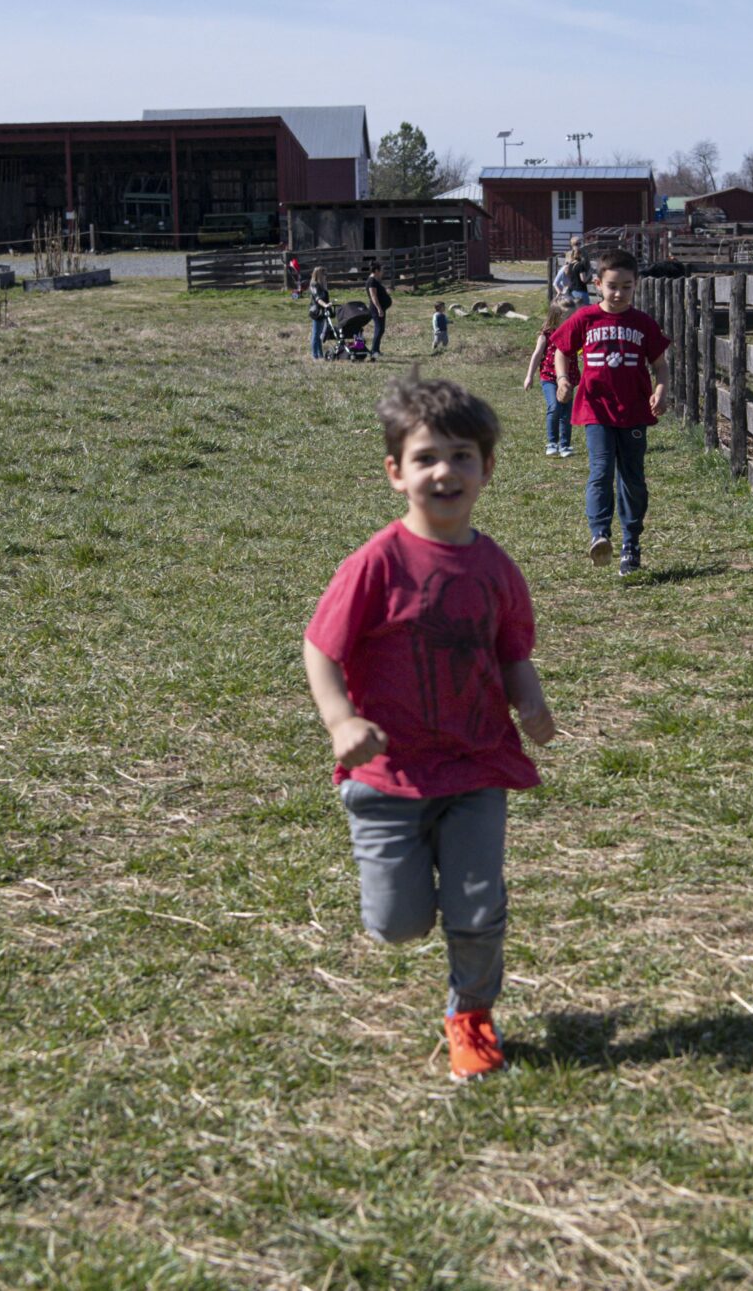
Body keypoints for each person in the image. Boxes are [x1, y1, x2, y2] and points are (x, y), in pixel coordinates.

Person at [303, 378, 556, 1083]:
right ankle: (411, 889)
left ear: (487, 469)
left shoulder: (497, 567)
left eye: (462, 456)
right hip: (388, 779)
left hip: (477, 764)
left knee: (477, 905)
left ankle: (471, 1014)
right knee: (398, 923)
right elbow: (320, 647)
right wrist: (340, 719)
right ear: (395, 472)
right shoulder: (376, 563)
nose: (445, 471)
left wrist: (531, 705)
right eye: (426, 458)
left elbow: (512, 651)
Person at [550, 249, 669, 575]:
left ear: (636, 285)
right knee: (600, 471)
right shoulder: (585, 318)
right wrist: (563, 378)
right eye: (612, 286)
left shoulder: (643, 323)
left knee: (632, 478)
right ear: (598, 284)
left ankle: (631, 543)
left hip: (633, 411)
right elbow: (561, 351)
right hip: (595, 409)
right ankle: (599, 535)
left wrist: (661, 390)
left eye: (626, 287)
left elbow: (660, 366)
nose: (618, 293)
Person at [521, 301, 574, 458]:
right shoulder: (546, 335)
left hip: (567, 378)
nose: (571, 318)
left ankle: (565, 445)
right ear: (556, 317)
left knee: (566, 411)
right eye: (567, 316)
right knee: (554, 406)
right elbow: (537, 355)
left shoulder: (572, 333)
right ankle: (552, 442)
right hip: (549, 378)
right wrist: (529, 376)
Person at [307, 268, 334, 361]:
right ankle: (315, 355)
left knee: (319, 334)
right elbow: (318, 299)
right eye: (324, 274)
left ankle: (320, 354)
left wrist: (328, 304)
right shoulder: (314, 285)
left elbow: (325, 297)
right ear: (318, 274)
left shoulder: (322, 285)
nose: (325, 276)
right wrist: (325, 305)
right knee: (315, 334)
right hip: (317, 312)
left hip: (323, 312)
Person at [366, 270, 394, 355]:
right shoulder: (371, 281)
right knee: (379, 329)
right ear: (376, 270)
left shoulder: (375, 280)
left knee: (381, 329)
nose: (382, 272)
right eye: (381, 270)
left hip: (380, 308)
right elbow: (373, 296)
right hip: (376, 309)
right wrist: (379, 308)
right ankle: (374, 350)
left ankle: (376, 350)